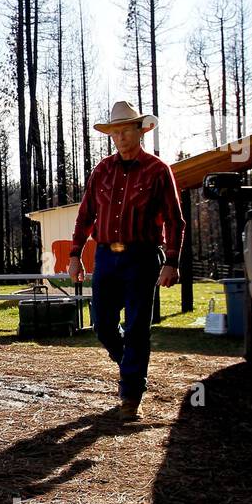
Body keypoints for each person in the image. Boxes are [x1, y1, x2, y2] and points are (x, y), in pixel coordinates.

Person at [68, 101, 186, 420]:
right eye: (115, 132)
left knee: (136, 326)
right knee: (103, 324)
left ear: (140, 130)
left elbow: (175, 220)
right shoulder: (102, 170)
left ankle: (131, 395)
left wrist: (172, 262)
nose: (120, 137)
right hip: (107, 254)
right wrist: (75, 255)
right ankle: (130, 366)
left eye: (126, 130)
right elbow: (85, 215)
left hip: (142, 256)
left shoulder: (158, 170)